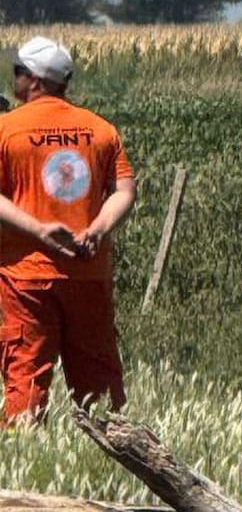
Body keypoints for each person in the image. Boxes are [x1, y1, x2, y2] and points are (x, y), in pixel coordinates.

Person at [0, 36, 135, 424]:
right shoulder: (101, 129)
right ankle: (110, 445)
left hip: (26, 275)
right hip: (88, 272)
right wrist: (97, 230)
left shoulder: (6, 129)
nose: (14, 78)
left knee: (26, 372)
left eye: (18, 72)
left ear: (35, 80)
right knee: (97, 379)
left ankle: (25, 447)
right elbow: (125, 191)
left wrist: (40, 230)